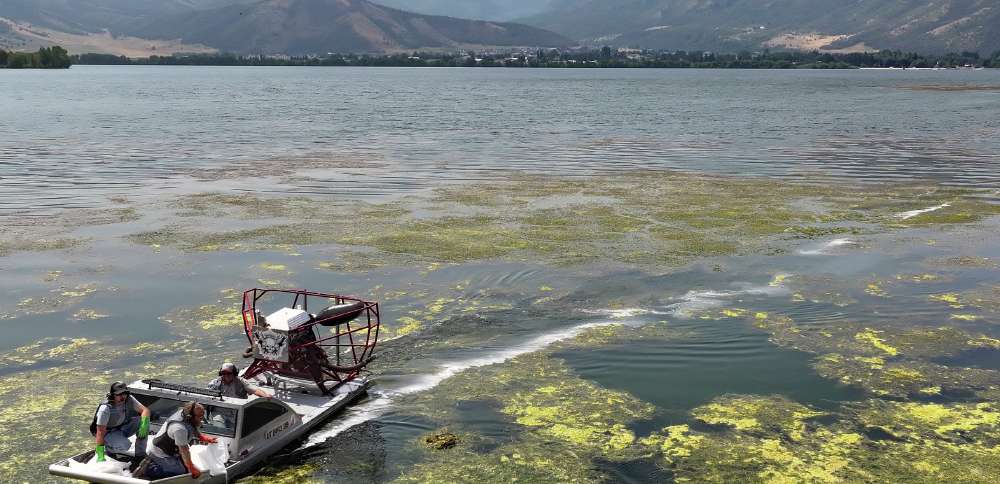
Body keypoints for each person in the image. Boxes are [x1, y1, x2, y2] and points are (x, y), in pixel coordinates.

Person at [146, 401, 217, 479]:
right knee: (181, 472)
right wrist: (191, 468)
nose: (202, 419)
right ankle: (150, 469)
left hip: (172, 449)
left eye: (203, 415)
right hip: (160, 453)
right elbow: (184, 451)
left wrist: (202, 437)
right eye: (200, 417)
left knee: (187, 467)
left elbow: (192, 426)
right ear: (190, 416)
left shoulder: (185, 413)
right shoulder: (179, 429)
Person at [90, 381, 150, 461]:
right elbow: (100, 432)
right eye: (119, 394)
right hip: (108, 432)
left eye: (124, 393)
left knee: (143, 421)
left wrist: (144, 425)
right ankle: (109, 450)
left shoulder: (129, 399)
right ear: (113, 395)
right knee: (124, 445)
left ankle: (140, 454)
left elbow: (145, 410)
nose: (122, 397)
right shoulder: (105, 409)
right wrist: (100, 455)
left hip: (120, 427)